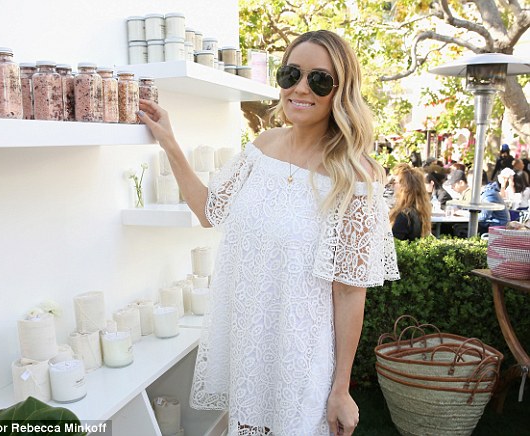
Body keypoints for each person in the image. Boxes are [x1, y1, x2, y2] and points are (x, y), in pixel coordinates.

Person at [138, 30, 400, 436]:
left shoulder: (354, 176)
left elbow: (349, 290)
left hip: (300, 356)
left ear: (341, 90)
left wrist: (341, 389)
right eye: (291, 73)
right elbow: (211, 211)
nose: (300, 88)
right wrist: (170, 143)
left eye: (319, 80)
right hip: (247, 347)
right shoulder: (261, 147)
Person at [389, 164, 432, 240]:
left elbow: (393, 243)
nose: (393, 185)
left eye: (395, 182)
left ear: (405, 187)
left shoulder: (404, 215)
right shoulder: (419, 211)